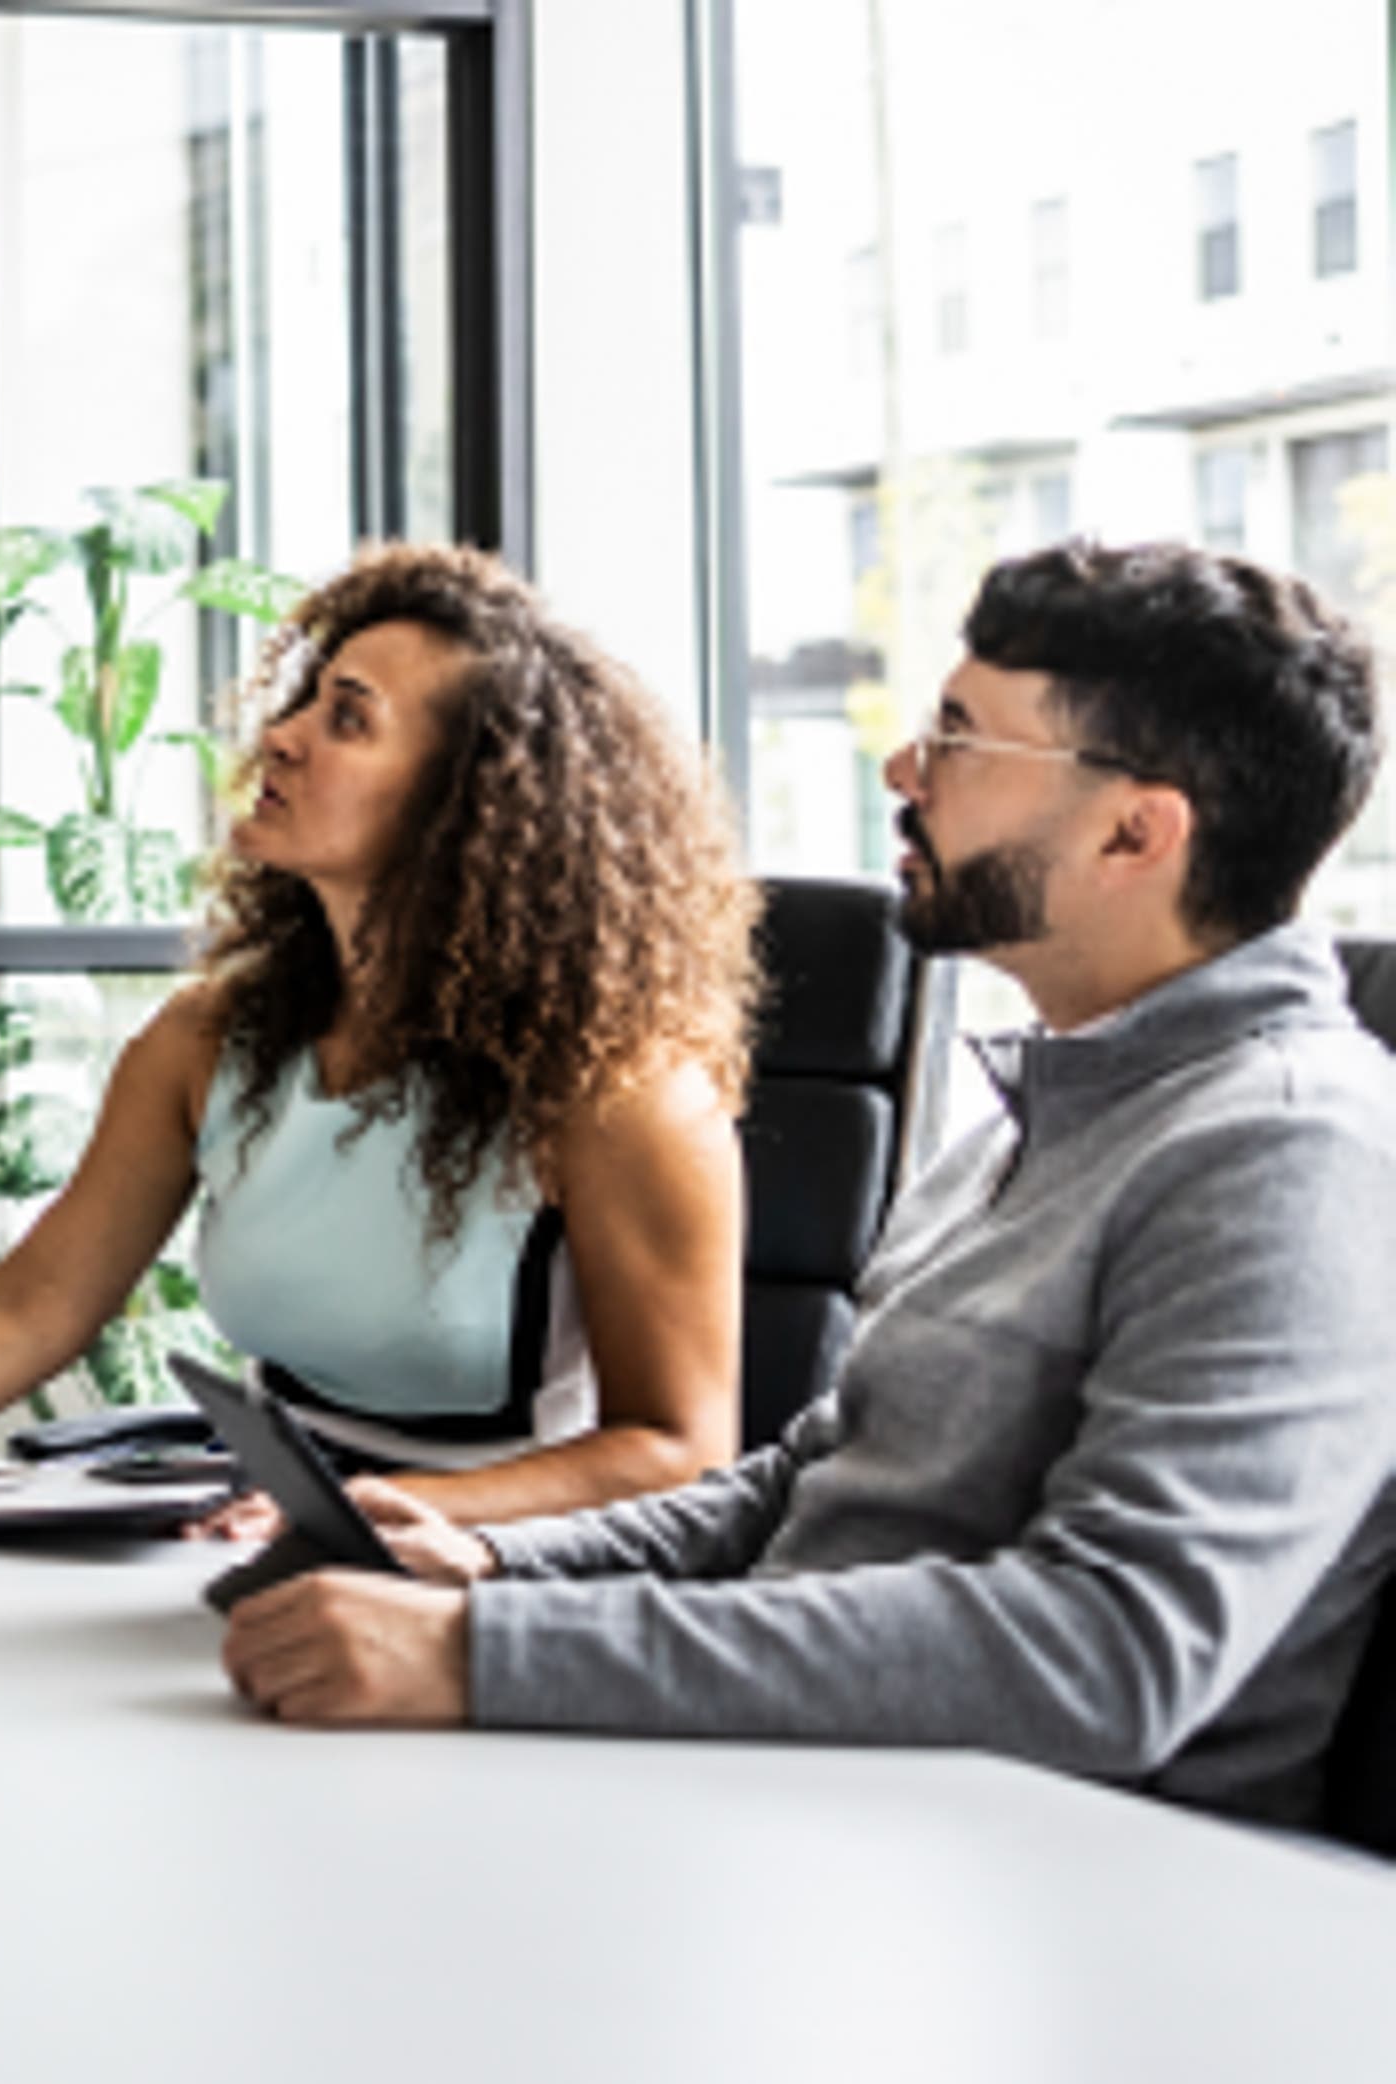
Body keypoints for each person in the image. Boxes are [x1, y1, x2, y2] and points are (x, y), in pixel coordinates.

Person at [220, 540, 1396, 1835]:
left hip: (1057, 1884)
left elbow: (1110, 1650)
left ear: (1136, 829)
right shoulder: (1041, 1115)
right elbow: (809, 1486)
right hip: (821, 1797)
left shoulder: (1291, 1152)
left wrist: (483, 1659)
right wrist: (493, 1568)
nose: (905, 773)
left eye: (960, 739)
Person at [0, 543, 760, 1525]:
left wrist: (387, 1511)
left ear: (469, 804)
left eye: (347, 720)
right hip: (258, 1538)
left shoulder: (620, 1090)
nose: (284, 735)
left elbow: (680, 1447)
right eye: (307, 697)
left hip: (499, 1578)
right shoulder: (215, 1039)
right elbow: (28, 1306)